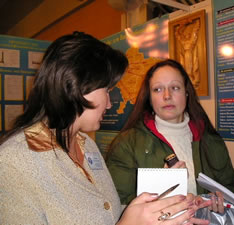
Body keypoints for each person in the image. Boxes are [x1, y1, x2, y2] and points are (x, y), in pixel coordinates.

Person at [0, 33, 210, 225]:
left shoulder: (86, 144)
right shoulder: (13, 162)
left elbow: (108, 213)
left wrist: (163, 204)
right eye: (106, 91)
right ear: (77, 85)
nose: (109, 104)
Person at [106, 59, 234, 214]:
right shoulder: (127, 143)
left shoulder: (211, 140)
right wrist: (160, 190)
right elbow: (116, 204)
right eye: (157, 89)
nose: (167, 96)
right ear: (149, 97)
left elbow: (231, 191)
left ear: (186, 93)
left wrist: (219, 200)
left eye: (175, 88)